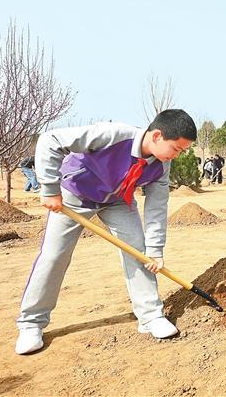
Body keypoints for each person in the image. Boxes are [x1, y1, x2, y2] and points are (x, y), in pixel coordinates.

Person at [15, 109, 197, 355]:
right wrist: (49, 188)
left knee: (139, 253)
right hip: (74, 194)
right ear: (156, 136)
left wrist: (155, 250)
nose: (177, 155)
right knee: (54, 255)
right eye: (177, 149)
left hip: (118, 201)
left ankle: (151, 317)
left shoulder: (161, 166)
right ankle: (31, 324)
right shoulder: (112, 135)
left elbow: (156, 207)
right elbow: (51, 140)